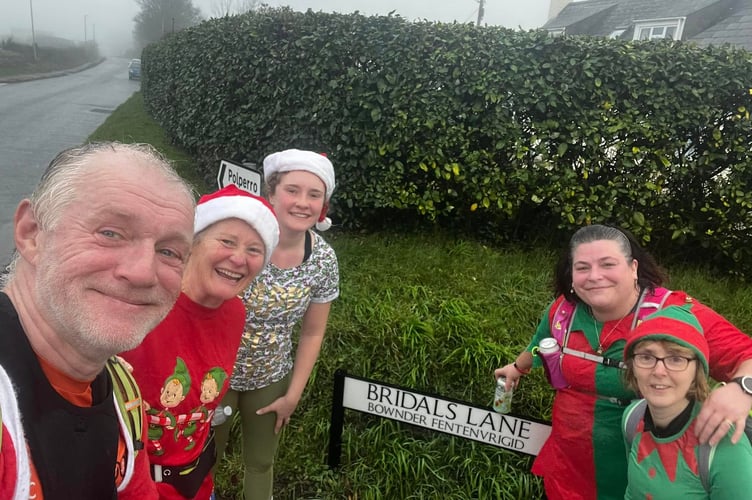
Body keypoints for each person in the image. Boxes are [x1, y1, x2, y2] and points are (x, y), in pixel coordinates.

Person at [493, 224, 752, 500]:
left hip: (644, 475)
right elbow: (540, 343)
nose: (594, 276)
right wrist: (517, 368)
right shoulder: (563, 311)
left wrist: (742, 388)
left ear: (633, 268)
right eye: (582, 267)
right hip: (567, 467)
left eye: (608, 264)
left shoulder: (673, 313)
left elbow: (745, 355)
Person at [0, 142, 196, 499]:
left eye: (169, 251)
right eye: (110, 233)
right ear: (32, 233)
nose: (142, 273)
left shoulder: (122, 391)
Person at [120, 185, 280, 500]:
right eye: (227, 241)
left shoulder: (234, 312)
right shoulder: (144, 301)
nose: (238, 259)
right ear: (193, 242)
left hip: (194, 485)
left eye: (254, 250)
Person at [214, 148, 340, 500]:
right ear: (270, 194)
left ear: (323, 204)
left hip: (270, 377)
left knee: (260, 463)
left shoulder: (324, 259)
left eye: (314, 194)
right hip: (214, 374)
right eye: (292, 190)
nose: (303, 202)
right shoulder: (241, 242)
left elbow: (313, 332)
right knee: (202, 460)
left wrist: (293, 395)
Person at [622, 305, 752, 498]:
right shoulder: (632, 418)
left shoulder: (725, 444)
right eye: (646, 357)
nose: (658, 371)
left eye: (676, 359)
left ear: (697, 371)